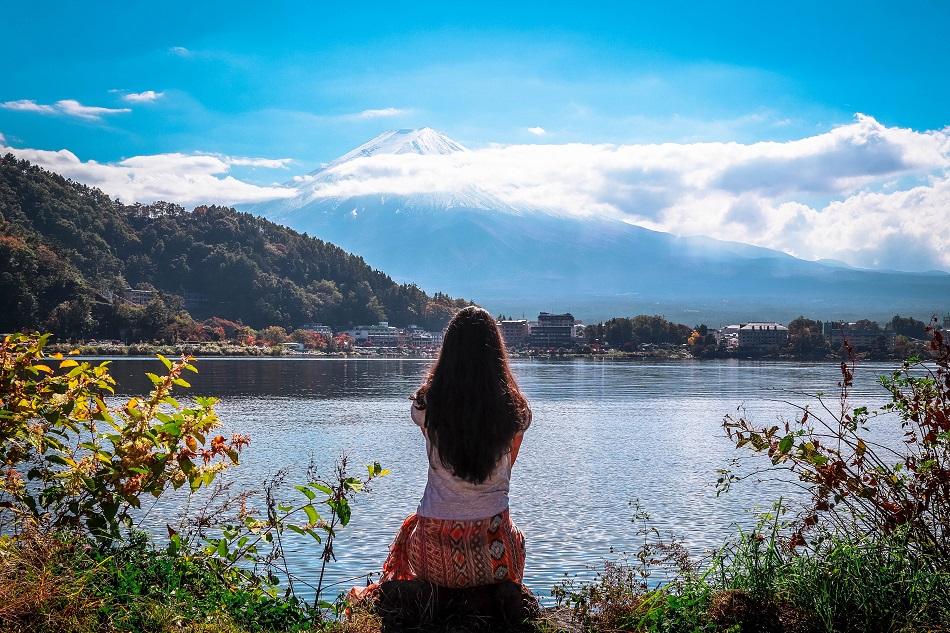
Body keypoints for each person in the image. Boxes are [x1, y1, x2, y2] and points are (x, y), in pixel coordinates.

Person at [361, 306, 532, 594]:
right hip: (496, 558)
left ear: (448, 350)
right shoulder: (515, 412)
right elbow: (508, 468)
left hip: (431, 559)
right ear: (497, 353)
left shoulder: (427, 406)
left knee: (415, 525)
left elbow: (433, 444)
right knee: (517, 537)